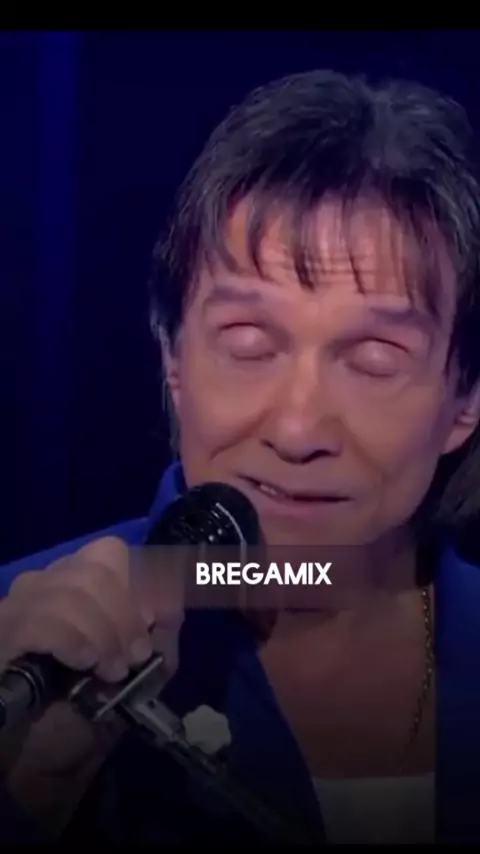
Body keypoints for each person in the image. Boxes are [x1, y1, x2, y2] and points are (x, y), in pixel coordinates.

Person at [1, 68, 480, 845]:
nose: (297, 429)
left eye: (374, 359)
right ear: (173, 360)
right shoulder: (22, 652)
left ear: (465, 401)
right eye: (249, 344)